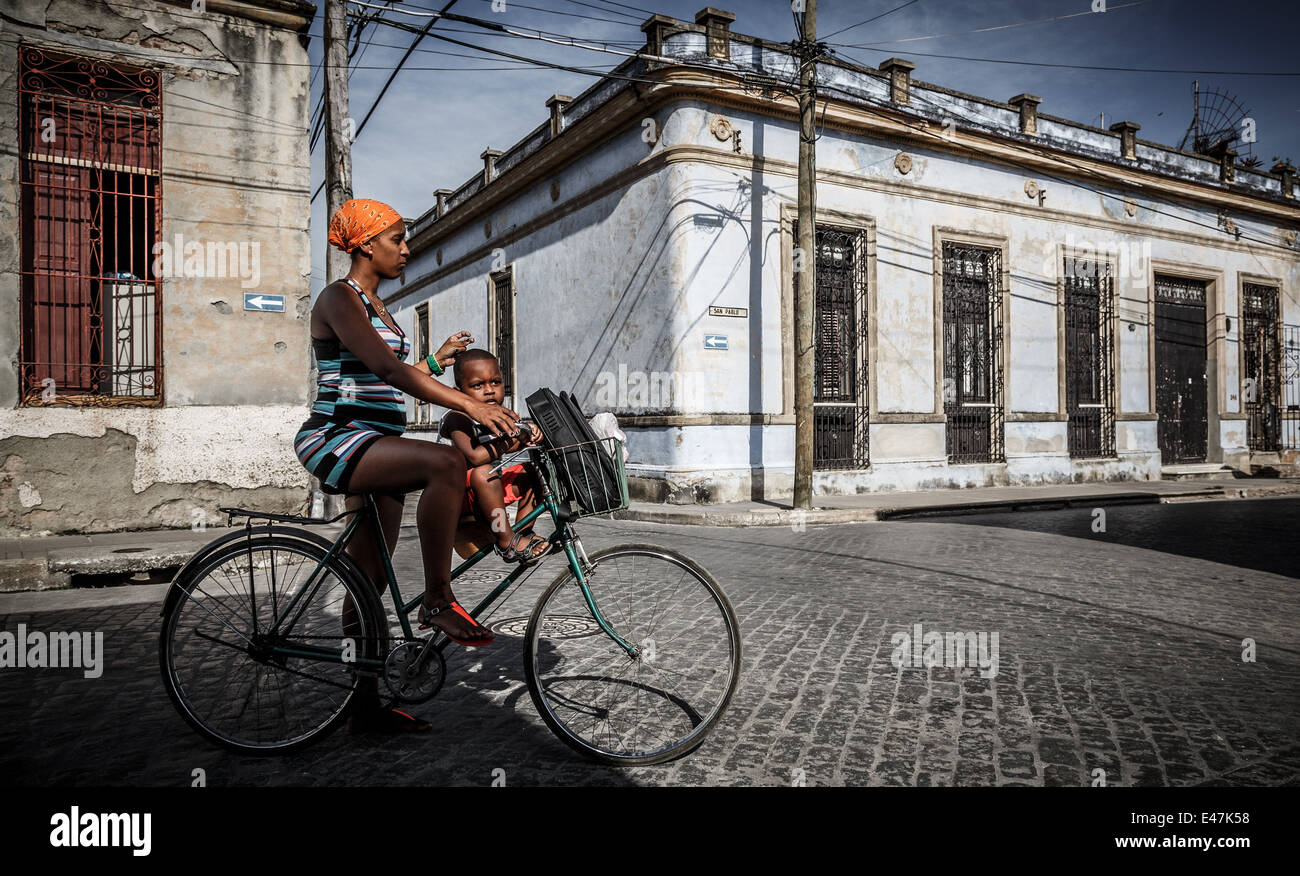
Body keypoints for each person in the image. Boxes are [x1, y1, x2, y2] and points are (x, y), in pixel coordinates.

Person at [295, 198, 520, 733]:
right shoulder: (339, 298)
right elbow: (384, 368)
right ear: (366, 244)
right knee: (445, 463)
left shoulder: (378, 307)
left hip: (375, 443)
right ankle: (438, 599)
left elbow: (393, 371)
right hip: (338, 438)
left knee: (368, 578)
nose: (406, 248)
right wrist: (468, 402)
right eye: (397, 239)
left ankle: (364, 709)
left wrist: (438, 361)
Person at [437, 349, 549, 563]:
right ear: (458, 392)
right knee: (484, 472)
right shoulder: (457, 418)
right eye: (478, 385)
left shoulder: (502, 414)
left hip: (489, 490)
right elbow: (475, 457)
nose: (489, 391)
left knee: (532, 471)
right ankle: (506, 540)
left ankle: (523, 532)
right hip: (455, 495)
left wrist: (532, 433)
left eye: (495, 382)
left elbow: (517, 441)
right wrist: (512, 439)